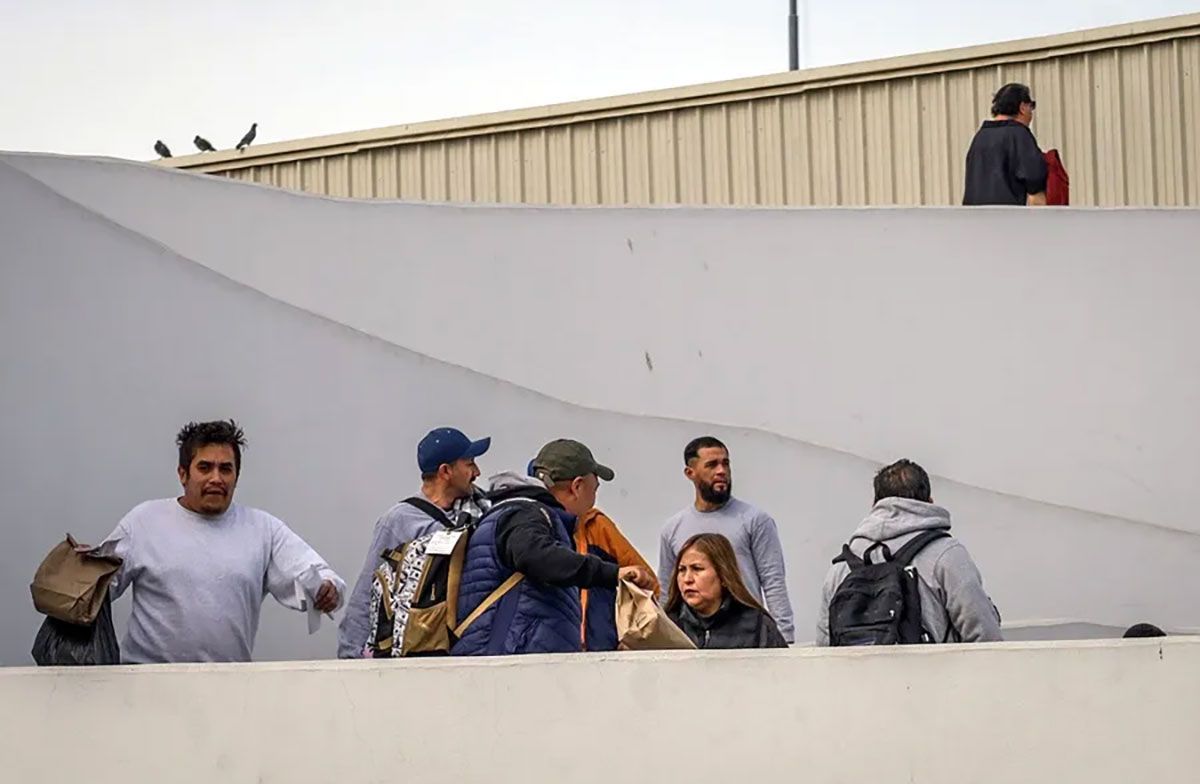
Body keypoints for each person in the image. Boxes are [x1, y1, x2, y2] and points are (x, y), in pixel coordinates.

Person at [99, 420, 345, 663]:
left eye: (225, 469)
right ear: (183, 474)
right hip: (145, 686)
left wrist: (327, 590)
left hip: (228, 688)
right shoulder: (143, 522)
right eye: (205, 467)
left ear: (236, 476)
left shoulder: (262, 529)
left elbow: (319, 575)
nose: (216, 478)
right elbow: (93, 589)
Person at [451, 439, 655, 656]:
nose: (594, 500)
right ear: (577, 486)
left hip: (508, 658)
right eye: (594, 488)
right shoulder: (526, 514)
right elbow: (536, 556)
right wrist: (611, 573)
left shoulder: (518, 512)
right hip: (507, 660)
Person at [337, 427, 492, 658]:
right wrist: (350, 657)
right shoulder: (399, 520)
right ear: (445, 471)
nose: (477, 472)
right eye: (469, 463)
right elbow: (367, 591)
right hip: (415, 652)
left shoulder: (480, 511)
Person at [816, 459, 1002, 646]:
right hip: (933, 674)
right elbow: (984, 633)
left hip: (859, 675)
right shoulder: (946, 555)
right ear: (929, 502)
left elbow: (825, 646)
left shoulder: (841, 568)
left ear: (875, 504)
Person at [658, 436, 795, 643]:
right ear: (690, 473)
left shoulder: (754, 520)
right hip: (691, 640)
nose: (721, 471)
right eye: (712, 465)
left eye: (725, 463)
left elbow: (773, 580)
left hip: (746, 637)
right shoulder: (673, 528)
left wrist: (784, 638)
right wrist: (659, 636)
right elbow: (666, 590)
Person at [665, 533, 787, 649]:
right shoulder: (667, 626)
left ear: (723, 576)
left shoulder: (758, 626)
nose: (687, 579)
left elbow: (784, 669)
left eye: (697, 569)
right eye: (681, 570)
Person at [962, 82, 1048, 206]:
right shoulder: (1019, 135)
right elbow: (1035, 181)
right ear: (1022, 107)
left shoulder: (980, 137)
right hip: (1009, 219)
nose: (1031, 113)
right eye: (1031, 106)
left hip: (975, 219)